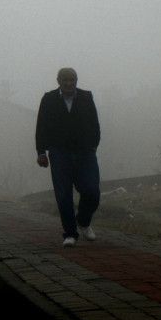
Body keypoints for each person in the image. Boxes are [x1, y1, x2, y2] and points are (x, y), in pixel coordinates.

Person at [35, 67, 101, 247]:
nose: (69, 83)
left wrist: (93, 145)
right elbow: (41, 126)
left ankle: (83, 221)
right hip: (59, 152)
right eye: (65, 80)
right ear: (59, 81)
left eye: (72, 80)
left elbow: (94, 124)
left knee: (92, 191)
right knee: (63, 194)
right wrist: (41, 152)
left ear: (76, 81)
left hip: (85, 152)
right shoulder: (49, 99)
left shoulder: (86, 97)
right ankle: (70, 233)